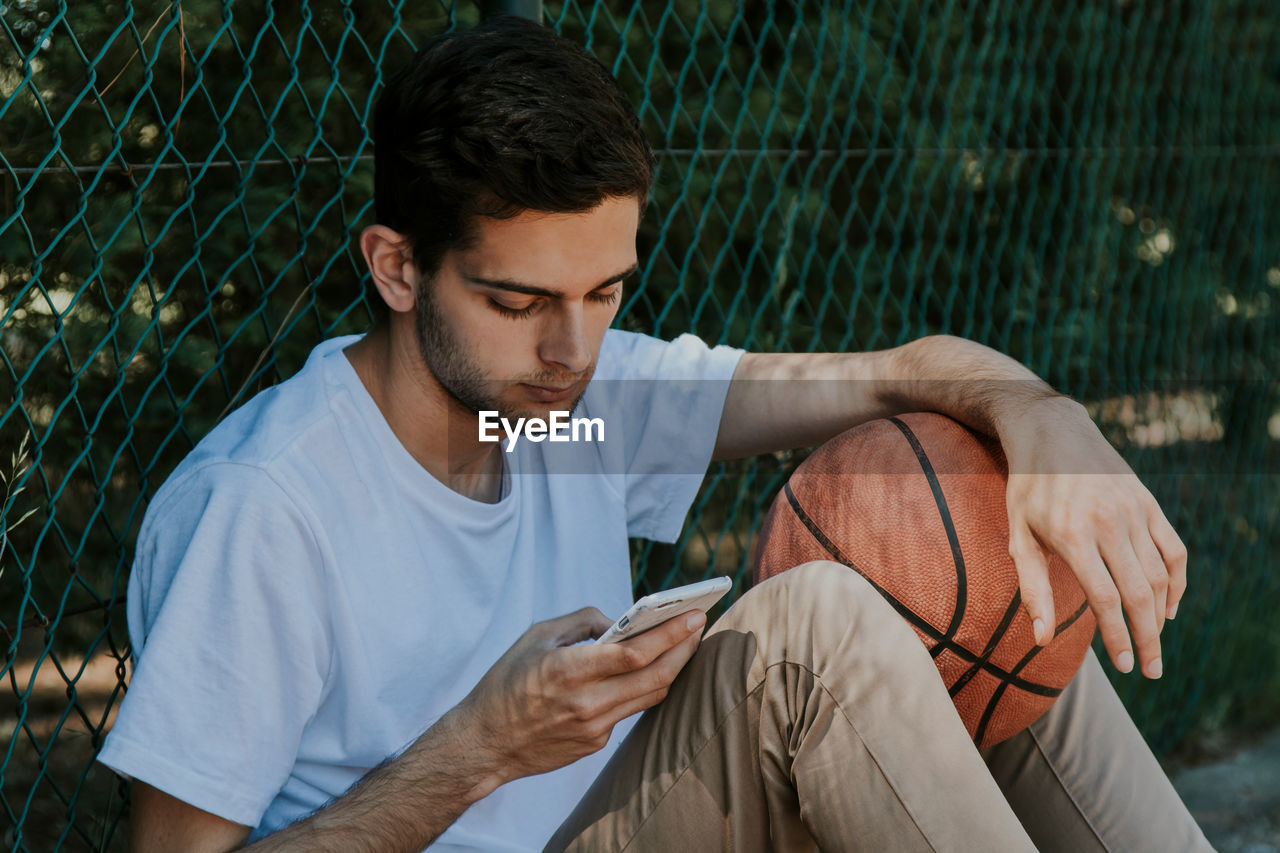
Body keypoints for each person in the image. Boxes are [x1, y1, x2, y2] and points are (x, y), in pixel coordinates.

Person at [98, 15, 1210, 853]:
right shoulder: (269, 507)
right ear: (395, 266)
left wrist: (1049, 428)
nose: (572, 350)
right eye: (518, 302)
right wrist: (478, 749)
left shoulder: (568, 414)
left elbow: (895, 379)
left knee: (975, 579)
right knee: (816, 627)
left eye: (606, 292)